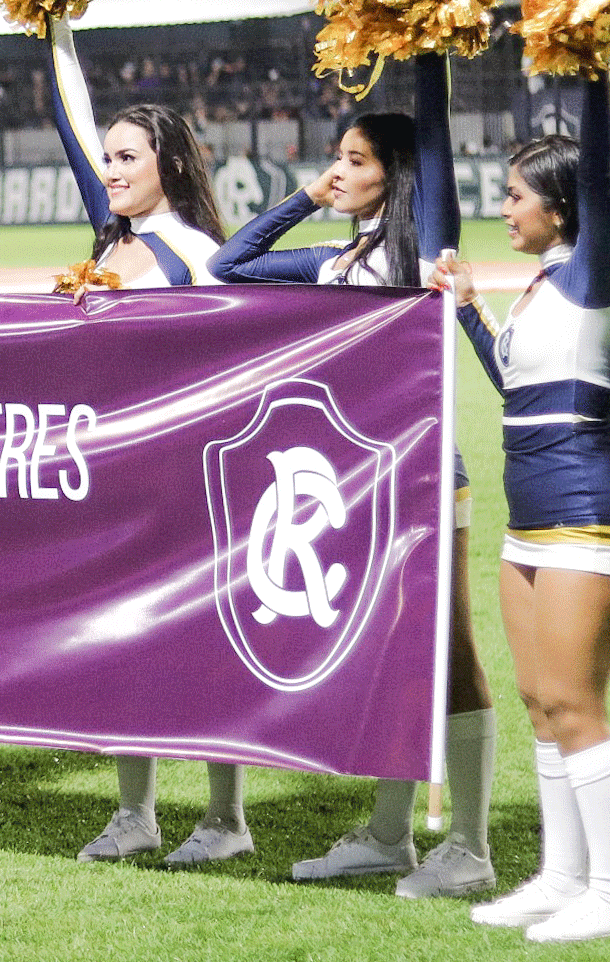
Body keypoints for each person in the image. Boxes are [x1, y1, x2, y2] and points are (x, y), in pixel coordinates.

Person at [210, 58, 499, 899]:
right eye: (338, 156)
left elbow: (435, 143)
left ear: (399, 174)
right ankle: (387, 835)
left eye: (358, 160)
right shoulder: (336, 261)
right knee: (389, 653)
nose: (342, 170)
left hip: (425, 474)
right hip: (356, 482)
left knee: (450, 651)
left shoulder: (423, 250)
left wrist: (424, 40)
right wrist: (309, 195)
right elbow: (231, 266)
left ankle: (472, 844)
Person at [438, 73, 610, 943]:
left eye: (515, 194)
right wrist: (470, 312)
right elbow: (516, 387)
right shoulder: (540, 286)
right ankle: (562, 877)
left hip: (589, 514)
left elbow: (599, 171)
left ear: (562, 207)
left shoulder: (594, 272)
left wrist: (591, 68)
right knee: (537, 699)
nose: (503, 208)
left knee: (574, 701)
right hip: (530, 520)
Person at [44, 17, 242, 867]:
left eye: (129, 158)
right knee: (124, 641)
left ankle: (227, 816)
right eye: (110, 158)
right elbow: (68, 121)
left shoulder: (196, 251)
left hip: (187, 474)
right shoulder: (112, 238)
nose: (112, 170)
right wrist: (50, 23)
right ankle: (137, 813)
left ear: (169, 163)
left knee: (203, 645)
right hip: (116, 473)